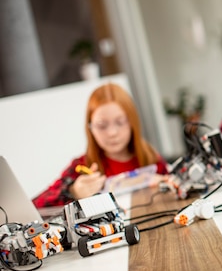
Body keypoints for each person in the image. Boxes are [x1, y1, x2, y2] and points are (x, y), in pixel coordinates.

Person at [32, 83, 168, 208]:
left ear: (132, 122)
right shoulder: (81, 167)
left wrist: (166, 186)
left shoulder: (151, 159)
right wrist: (72, 192)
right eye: (102, 125)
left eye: (120, 122)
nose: (112, 133)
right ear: (90, 128)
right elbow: (35, 206)